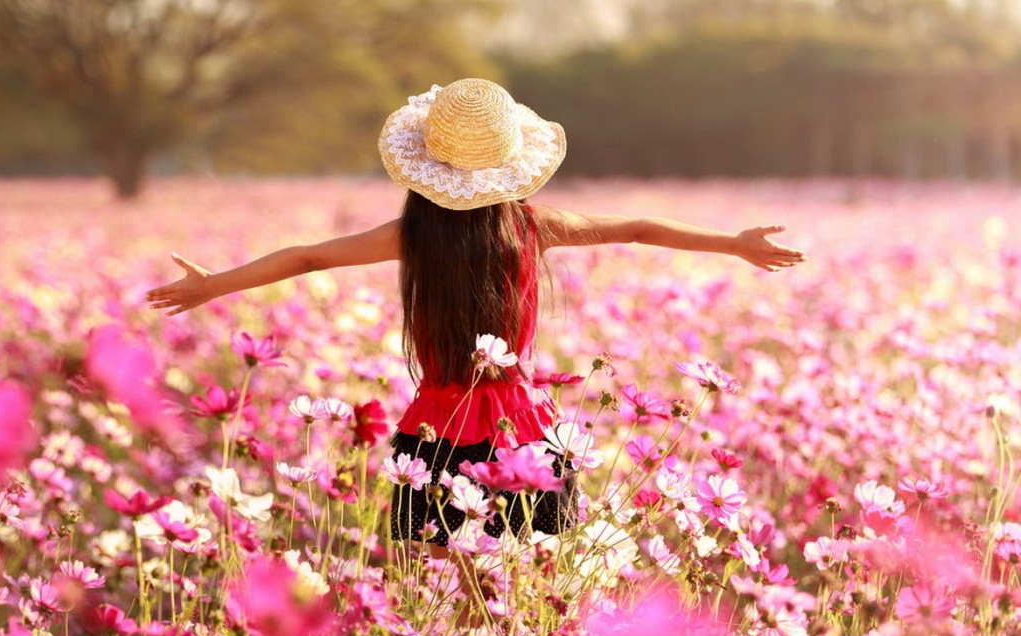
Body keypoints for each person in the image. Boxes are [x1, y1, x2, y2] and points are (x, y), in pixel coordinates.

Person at [145, 78, 803, 565]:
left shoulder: (415, 233)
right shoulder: (531, 225)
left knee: (443, 577)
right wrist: (733, 243)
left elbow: (309, 255)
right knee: (517, 580)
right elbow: (637, 227)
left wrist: (214, 286)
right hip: (523, 431)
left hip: (434, 426)